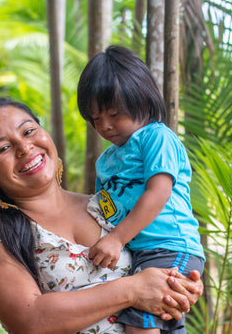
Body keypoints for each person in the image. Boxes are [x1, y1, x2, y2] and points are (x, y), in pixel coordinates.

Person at [0, 98, 203, 334]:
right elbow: (31, 321)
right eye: (3, 148)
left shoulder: (105, 207)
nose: (25, 148)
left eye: (29, 131)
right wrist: (133, 289)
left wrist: (178, 285)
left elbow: (158, 257)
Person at [77, 45, 205, 334]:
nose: (105, 126)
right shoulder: (105, 161)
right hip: (139, 253)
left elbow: (159, 192)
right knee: (165, 323)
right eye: (96, 119)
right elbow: (103, 210)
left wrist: (117, 240)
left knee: (139, 324)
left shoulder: (157, 137)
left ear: (142, 101)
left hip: (170, 245)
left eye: (114, 114)